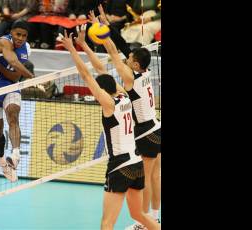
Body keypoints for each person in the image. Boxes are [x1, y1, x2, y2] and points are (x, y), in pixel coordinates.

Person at [58, 30, 160, 230]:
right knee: (138, 214)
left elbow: (87, 75)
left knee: (107, 222)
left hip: (120, 165)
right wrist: (85, 46)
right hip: (136, 162)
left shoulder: (108, 104)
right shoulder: (124, 96)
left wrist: (73, 49)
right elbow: (100, 70)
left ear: (102, 92)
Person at [94, 6, 162, 227]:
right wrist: (107, 25)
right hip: (155, 126)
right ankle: (152, 215)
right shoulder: (145, 71)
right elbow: (122, 49)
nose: (126, 58)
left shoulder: (130, 79)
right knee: (155, 175)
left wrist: (103, 35)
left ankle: (146, 220)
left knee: (149, 176)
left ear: (134, 64)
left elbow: (114, 53)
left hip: (147, 132)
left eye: (129, 58)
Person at [0, 20, 34, 182]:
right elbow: (12, 61)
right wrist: (32, 77)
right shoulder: (3, 42)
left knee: (13, 114)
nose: (20, 38)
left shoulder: (26, 49)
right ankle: (3, 162)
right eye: (18, 34)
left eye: (24, 36)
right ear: (11, 32)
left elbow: (14, 76)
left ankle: (16, 155)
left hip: (10, 85)